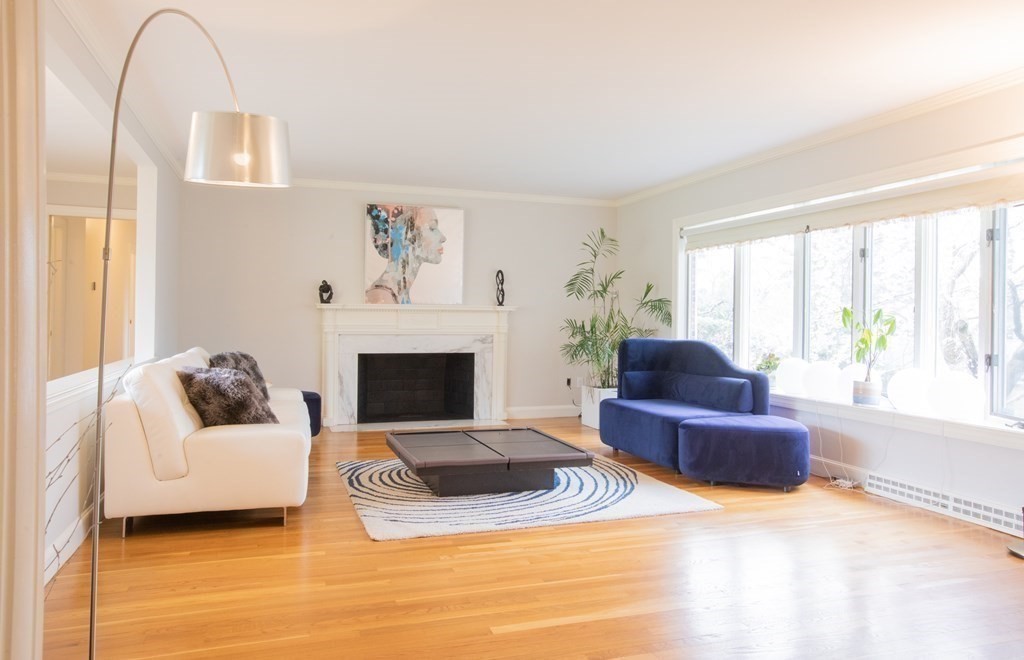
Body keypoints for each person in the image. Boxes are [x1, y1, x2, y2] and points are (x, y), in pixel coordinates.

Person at [365, 204, 446, 304]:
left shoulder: (400, 294)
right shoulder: (382, 299)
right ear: (406, 235)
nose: (443, 238)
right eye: (432, 227)